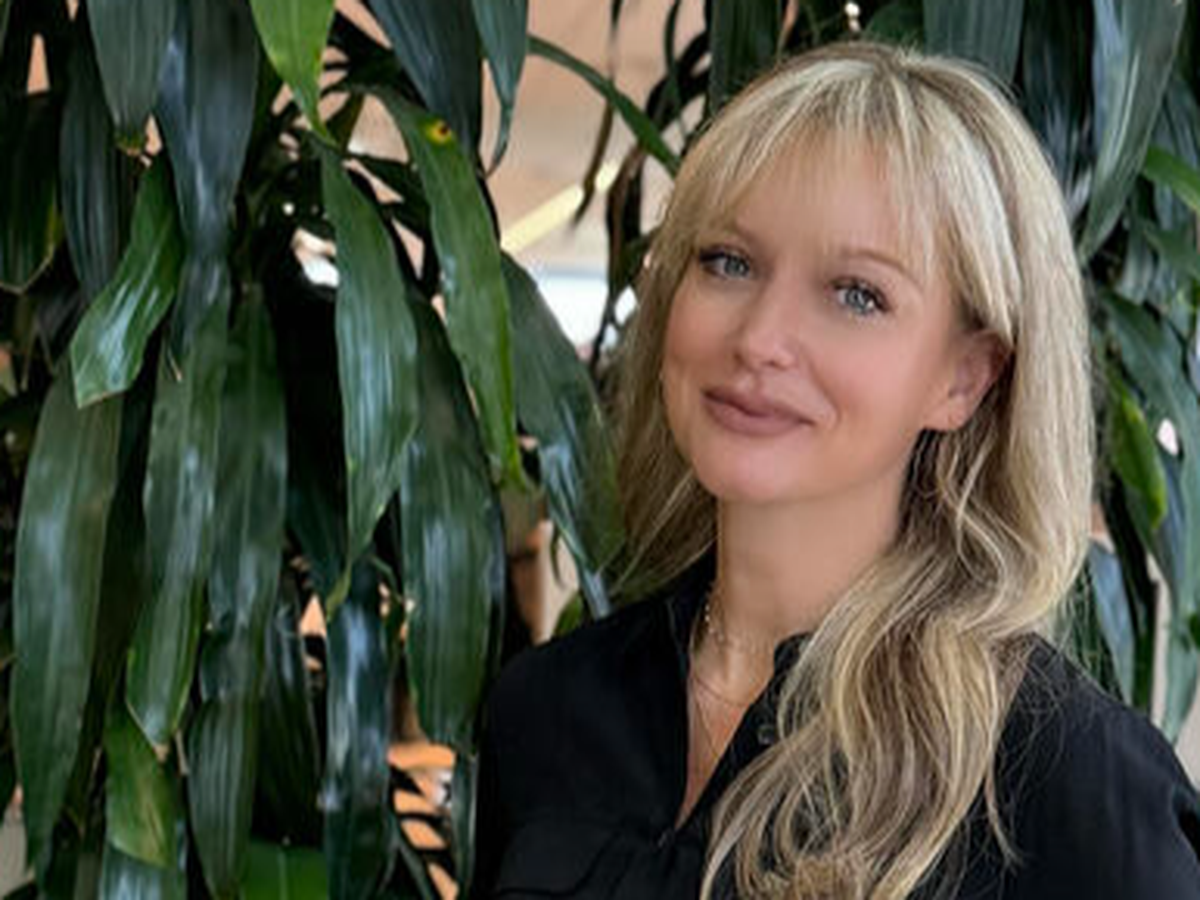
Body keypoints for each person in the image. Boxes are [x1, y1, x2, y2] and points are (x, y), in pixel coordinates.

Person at [469, 41, 1200, 899]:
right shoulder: (547, 708)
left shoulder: (1068, 788)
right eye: (729, 262)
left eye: (857, 294)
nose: (760, 340)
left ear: (964, 379)